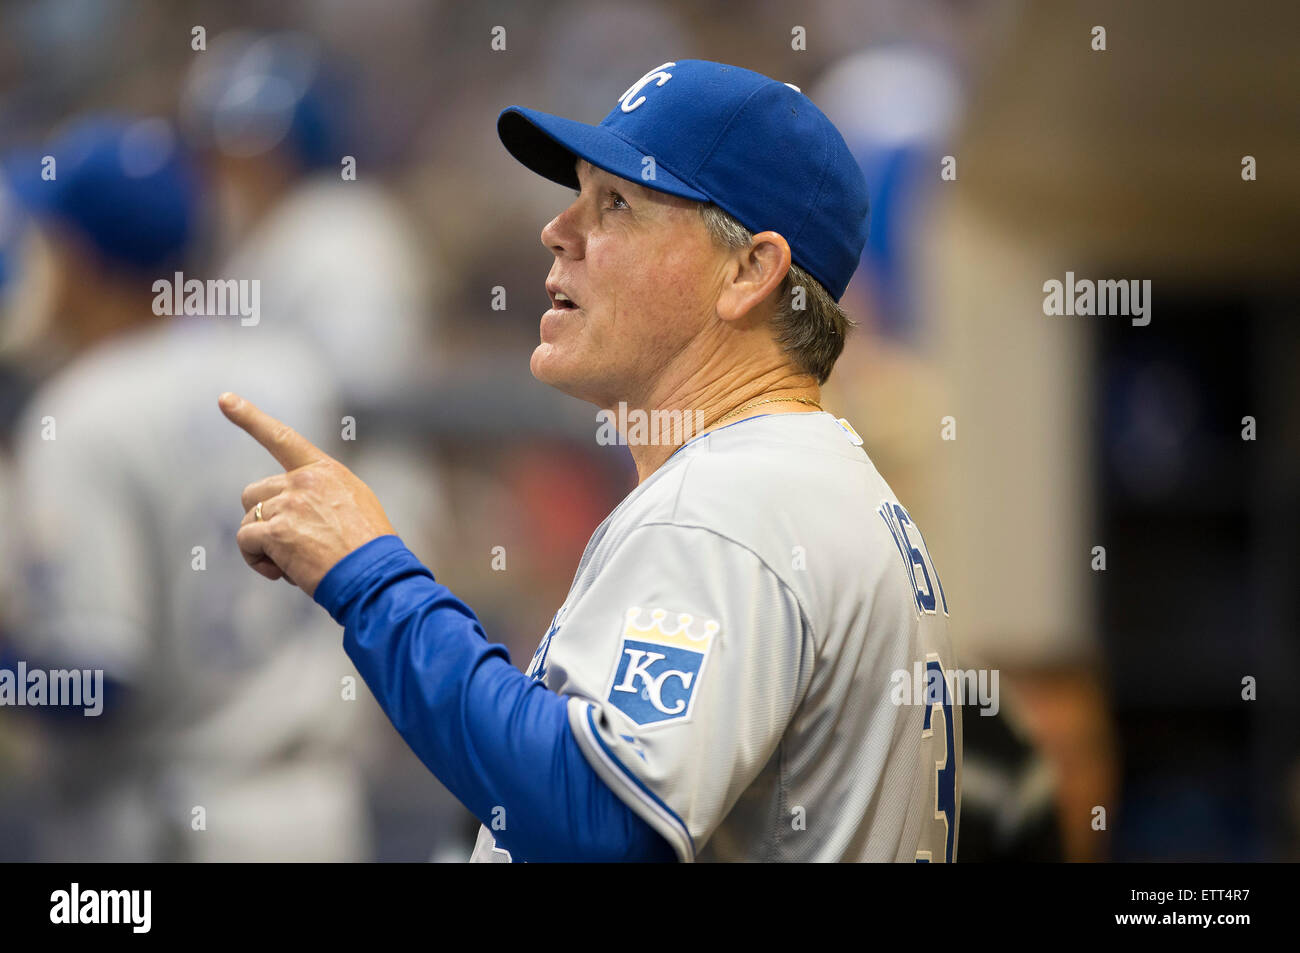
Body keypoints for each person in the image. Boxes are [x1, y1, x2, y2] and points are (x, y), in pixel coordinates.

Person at [222, 59, 962, 862]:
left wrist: (372, 578)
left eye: (618, 204)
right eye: (577, 193)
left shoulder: (729, 502)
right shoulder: (806, 482)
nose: (558, 229)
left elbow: (604, 826)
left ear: (751, 271)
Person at [3, 116, 376, 861]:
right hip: (321, 810)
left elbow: (96, 688)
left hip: (174, 828)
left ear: (74, 260)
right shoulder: (291, 373)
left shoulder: (82, 410)